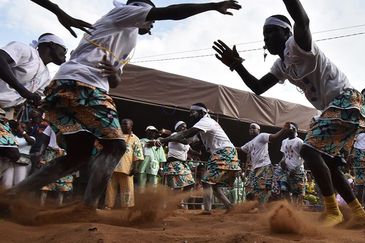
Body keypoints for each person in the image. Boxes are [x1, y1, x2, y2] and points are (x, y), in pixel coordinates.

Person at [6, 0, 241, 212]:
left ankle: (14, 196)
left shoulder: (122, 36)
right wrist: (211, 5)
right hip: (84, 86)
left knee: (79, 154)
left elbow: (115, 79)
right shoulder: (127, 13)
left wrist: (113, 74)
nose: (152, 26)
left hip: (62, 88)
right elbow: (171, 11)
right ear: (144, 11)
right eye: (152, 20)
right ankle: (87, 207)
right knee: (116, 146)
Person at [212, 0, 365, 226]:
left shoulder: (298, 44)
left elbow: (302, 20)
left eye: (270, 32)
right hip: (336, 108)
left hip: (345, 101)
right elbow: (258, 87)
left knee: (309, 150)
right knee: (329, 163)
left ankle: (333, 211)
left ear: (286, 31)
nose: (265, 39)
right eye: (263, 35)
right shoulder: (281, 65)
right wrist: (237, 66)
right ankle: (359, 212)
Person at [0, 33, 66, 175]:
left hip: (4, 112)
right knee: (9, 151)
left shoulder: (46, 75)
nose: (65, 55)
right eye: (64, 50)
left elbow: (39, 100)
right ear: (51, 45)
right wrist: (24, 91)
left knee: (12, 154)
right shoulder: (25, 50)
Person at [160, 103, 241, 214]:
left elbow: (186, 134)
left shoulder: (206, 121)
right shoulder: (202, 125)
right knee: (215, 185)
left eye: (193, 112)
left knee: (206, 181)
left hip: (223, 152)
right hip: (224, 153)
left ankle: (207, 210)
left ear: (202, 112)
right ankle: (230, 207)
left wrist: (162, 140)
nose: (191, 115)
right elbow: (188, 140)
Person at [239, 122, 289, 208]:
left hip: (264, 166)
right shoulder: (250, 143)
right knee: (249, 186)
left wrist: (283, 130)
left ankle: (263, 207)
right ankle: (254, 206)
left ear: (258, 130)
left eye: (253, 128)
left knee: (262, 187)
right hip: (255, 168)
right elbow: (240, 149)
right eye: (250, 128)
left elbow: (274, 137)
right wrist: (228, 147)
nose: (251, 130)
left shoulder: (262, 136)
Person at [105, 119, 143, 209]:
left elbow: (137, 153)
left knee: (127, 189)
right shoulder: (115, 136)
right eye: (122, 124)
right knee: (110, 188)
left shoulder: (135, 138)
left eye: (126, 124)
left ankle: (126, 208)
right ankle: (108, 206)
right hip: (112, 167)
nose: (123, 125)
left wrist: (135, 167)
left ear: (131, 125)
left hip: (127, 168)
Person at [164, 121, 197, 192]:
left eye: (185, 127)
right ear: (177, 128)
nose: (185, 128)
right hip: (174, 163)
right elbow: (186, 142)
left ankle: (177, 200)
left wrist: (200, 154)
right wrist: (193, 136)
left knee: (190, 184)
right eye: (182, 127)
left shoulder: (185, 139)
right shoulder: (175, 134)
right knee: (178, 186)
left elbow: (190, 150)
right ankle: (175, 202)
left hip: (183, 164)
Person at [1, 121, 35, 189]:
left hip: (22, 163)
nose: (20, 128)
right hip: (10, 162)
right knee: (7, 183)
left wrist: (22, 131)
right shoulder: (12, 136)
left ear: (27, 129)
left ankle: (17, 199)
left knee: (18, 183)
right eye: (20, 127)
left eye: (23, 127)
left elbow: (31, 141)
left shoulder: (31, 138)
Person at [280, 122, 306, 205]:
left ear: (294, 129)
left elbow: (303, 157)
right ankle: (289, 206)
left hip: (297, 171)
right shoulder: (284, 141)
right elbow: (284, 155)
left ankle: (295, 209)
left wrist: (296, 169)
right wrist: (282, 161)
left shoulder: (299, 142)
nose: (286, 129)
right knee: (283, 188)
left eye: (289, 127)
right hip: (286, 170)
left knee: (296, 192)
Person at [138, 126, 166, 191]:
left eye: (154, 132)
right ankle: (141, 199)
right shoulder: (141, 141)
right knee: (141, 187)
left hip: (154, 168)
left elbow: (162, 158)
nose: (152, 133)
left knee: (153, 187)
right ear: (146, 132)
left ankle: (151, 200)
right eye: (150, 131)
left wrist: (161, 169)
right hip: (142, 167)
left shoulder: (158, 144)